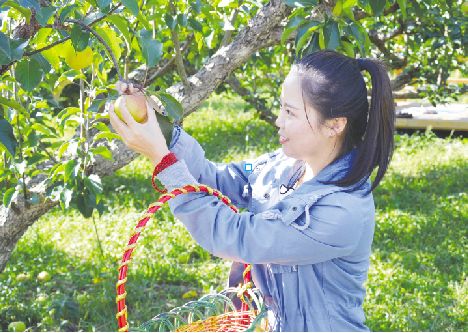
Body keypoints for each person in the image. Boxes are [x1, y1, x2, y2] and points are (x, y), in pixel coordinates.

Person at [108, 49, 395, 331]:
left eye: (291, 113)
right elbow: (214, 180)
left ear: (334, 125)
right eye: (281, 107)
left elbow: (235, 235)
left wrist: (162, 159)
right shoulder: (284, 166)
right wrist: (159, 126)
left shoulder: (342, 211)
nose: (279, 121)